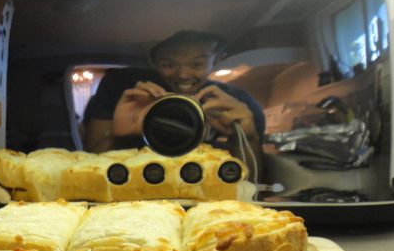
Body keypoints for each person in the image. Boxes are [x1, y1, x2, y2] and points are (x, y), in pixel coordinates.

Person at [83, 30, 265, 181]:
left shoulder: (239, 105)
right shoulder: (123, 89)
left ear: (216, 61)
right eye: (169, 64)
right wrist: (114, 136)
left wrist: (247, 138)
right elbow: (87, 175)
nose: (183, 75)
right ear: (153, 61)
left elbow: (254, 190)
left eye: (197, 64)